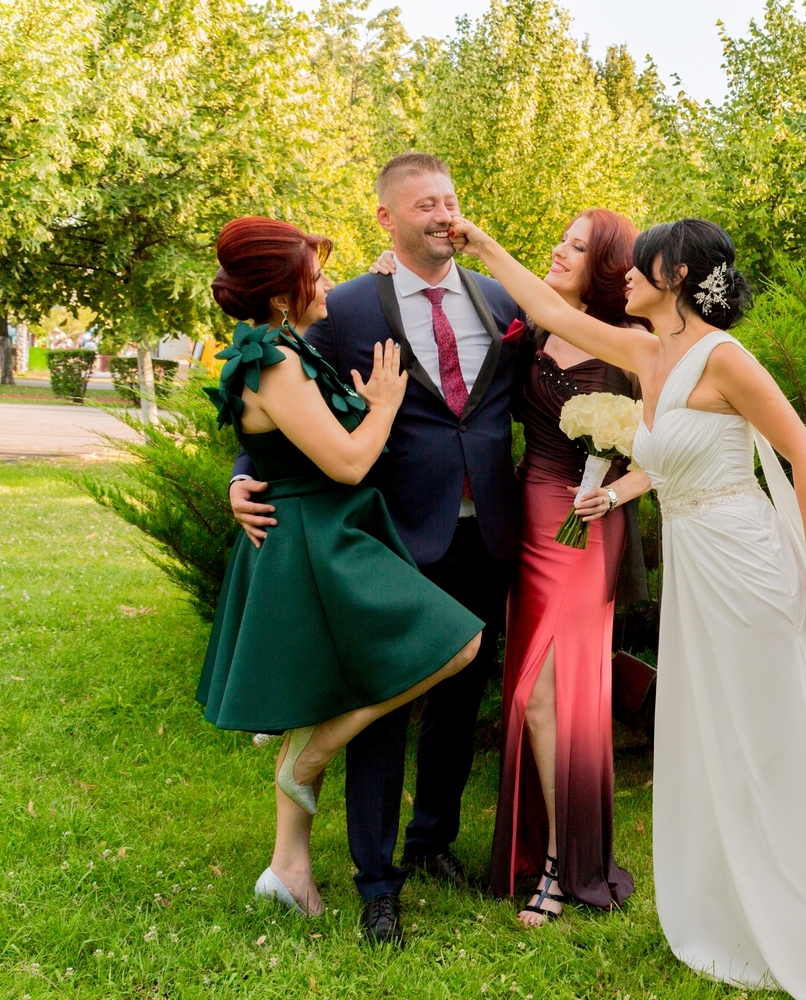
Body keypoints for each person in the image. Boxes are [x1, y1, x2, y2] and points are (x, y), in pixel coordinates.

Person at [448, 215, 806, 999]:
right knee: (720, 741)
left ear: (675, 276)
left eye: (640, 266)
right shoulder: (645, 353)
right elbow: (549, 310)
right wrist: (484, 245)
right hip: (697, 575)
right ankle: (746, 903)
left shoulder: (725, 359)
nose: (625, 276)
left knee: (776, 739)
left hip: (749, 566)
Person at [227, 154, 530, 945]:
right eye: (425, 204)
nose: (444, 215)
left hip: (488, 527)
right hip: (388, 530)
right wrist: (240, 476)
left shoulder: (502, 300)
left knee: (459, 698)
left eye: (451, 200)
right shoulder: (346, 306)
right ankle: (376, 880)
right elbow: (284, 395)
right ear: (386, 218)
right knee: (384, 702)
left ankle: (433, 842)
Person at [199, 216, 484, 921]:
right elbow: (349, 462)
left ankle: (288, 870)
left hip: (316, 530)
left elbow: (281, 442)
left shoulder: (277, 346)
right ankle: (314, 755)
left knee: (321, 693)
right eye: (315, 275)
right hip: (315, 539)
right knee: (459, 642)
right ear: (280, 295)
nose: (327, 283)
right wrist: (384, 405)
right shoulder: (275, 361)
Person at [374, 209, 650, 925]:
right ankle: (539, 849)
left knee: (545, 695)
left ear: (606, 265)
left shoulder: (632, 343)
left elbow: (670, 448)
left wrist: (615, 492)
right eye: (561, 239)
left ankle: (562, 862)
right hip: (521, 522)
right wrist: (391, 276)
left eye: (577, 246)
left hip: (584, 530)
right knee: (529, 694)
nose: (560, 250)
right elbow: (451, 331)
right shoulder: (529, 326)